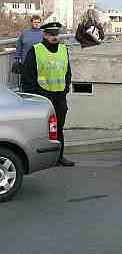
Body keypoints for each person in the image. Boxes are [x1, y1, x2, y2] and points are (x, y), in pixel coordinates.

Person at [21, 22, 75, 167]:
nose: (54, 37)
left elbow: (67, 72)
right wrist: (34, 96)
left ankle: (59, 156)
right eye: (51, 34)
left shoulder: (63, 49)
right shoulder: (36, 50)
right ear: (44, 35)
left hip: (60, 96)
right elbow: (27, 76)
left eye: (56, 34)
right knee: (44, 128)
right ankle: (43, 159)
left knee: (59, 128)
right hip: (42, 96)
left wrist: (66, 88)